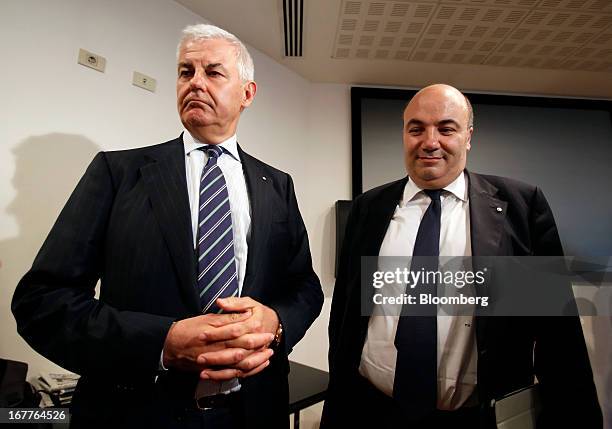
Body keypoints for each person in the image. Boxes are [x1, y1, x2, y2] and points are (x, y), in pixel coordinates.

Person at [12, 24, 323, 429]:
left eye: (212, 72)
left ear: (247, 93)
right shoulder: (118, 172)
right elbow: (43, 302)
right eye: (184, 72)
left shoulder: (277, 185)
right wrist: (162, 342)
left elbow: (304, 287)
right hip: (138, 412)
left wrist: (276, 323)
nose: (195, 83)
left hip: (254, 410)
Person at [321, 84, 602, 428]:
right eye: (417, 128)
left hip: (476, 417)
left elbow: (557, 333)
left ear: (468, 136)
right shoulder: (369, 208)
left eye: (446, 128)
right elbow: (346, 316)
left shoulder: (520, 208)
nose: (430, 141)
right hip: (372, 409)